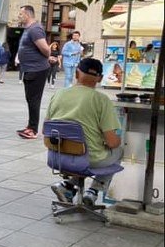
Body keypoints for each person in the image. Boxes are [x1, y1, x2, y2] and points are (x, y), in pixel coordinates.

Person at [47, 58, 122, 207]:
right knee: (118, 151)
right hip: (88, 159)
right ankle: (93, 191)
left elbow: (47, 127)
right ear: (100, 78)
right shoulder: (101, 100)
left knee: (80, 156)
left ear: (76, 73)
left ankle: (67, 186)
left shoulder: (58, 95)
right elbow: (112, 142)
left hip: (57, 156)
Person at [17, 5, 53, 139]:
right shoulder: (28, 29)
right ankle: (30, 126)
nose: (19, 16)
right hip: (30, 68)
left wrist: (45, 57)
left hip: (37, 69)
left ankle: (33, 130)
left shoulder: (35, 29)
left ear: (27, 15)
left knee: (34, 100)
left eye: (20, 14)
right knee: (30, 99)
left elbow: (46, 49)